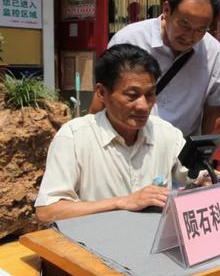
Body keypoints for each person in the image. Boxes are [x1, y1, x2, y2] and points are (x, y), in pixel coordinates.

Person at [35, 44, 199, 222]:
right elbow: (48, 210)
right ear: (102, 93)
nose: (143, 106)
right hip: (92, 245)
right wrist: (122, 202)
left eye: (150, 94)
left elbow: (195, 178)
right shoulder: (74, 137)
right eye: (132, 95)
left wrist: (204, 182)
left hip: (153, 244)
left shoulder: (166, 134)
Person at [90, 0, 220, 137]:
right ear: (167, 9)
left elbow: (213, 112)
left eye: (201, 30)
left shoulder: (214, 53)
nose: (190, 36)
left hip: (180, 153)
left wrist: (202, 156)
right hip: (126, 147)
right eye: (184, 25)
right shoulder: (130, 40)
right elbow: (102, 100)